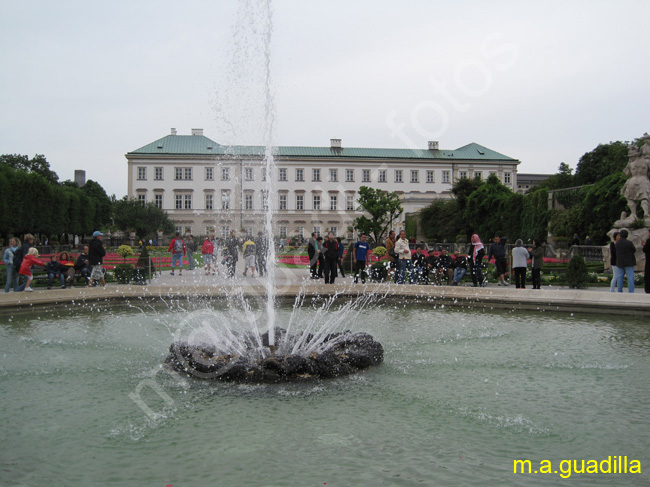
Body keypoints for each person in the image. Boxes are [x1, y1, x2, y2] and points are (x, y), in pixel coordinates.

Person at [615, 229, 636, 293]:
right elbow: (634, 250)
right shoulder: (629, 243)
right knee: (630, 277)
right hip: (629, 262)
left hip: (620, 262)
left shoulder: (617, 243)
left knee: (620, 278)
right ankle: (631, 291)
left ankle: (619, 291)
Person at [642, 229, 650, 294]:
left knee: (647, 275)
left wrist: (644, 245)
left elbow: (645, 249)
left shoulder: (648, 240)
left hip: (649, 261)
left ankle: (648, 289)